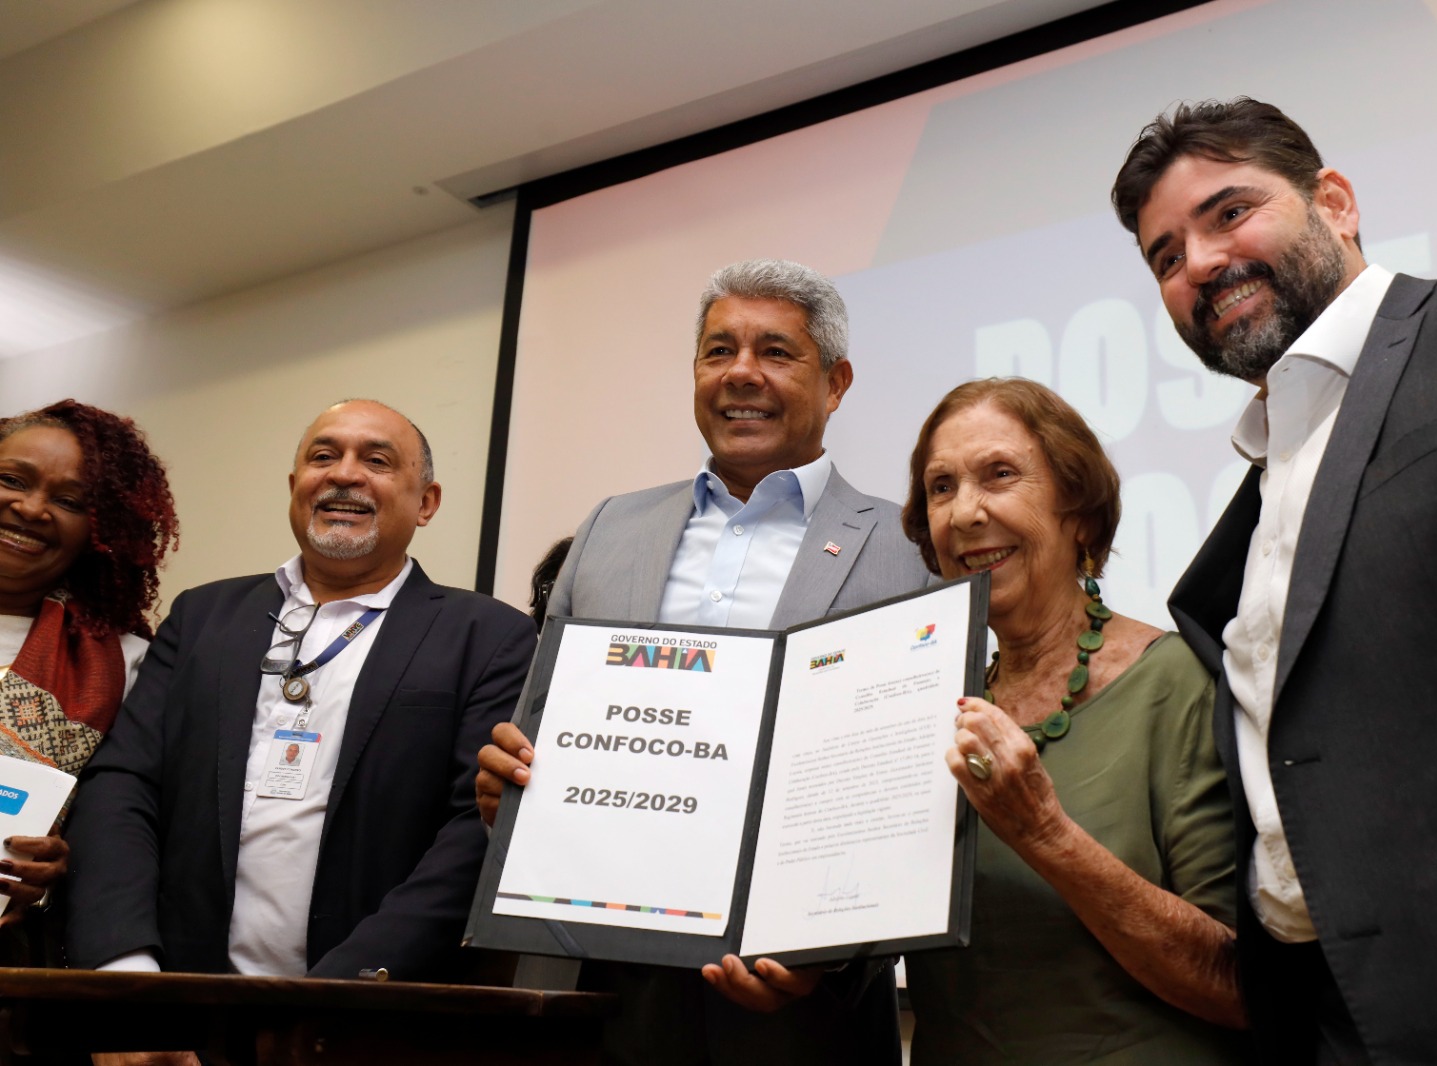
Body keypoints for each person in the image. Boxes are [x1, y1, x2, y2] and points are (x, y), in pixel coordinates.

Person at [1111, 97, 1437, 1063]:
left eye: (1229, 212)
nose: (1199, 263)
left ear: (1333, 202)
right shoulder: (1250, 512)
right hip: (1333, 1020)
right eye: (1165, 257)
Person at [477, 259, 929, 1066]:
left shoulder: (910, 548)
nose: (741, 374)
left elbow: (912, 792)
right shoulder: (609, 528)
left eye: (776, 352)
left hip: (794, 1001)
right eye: (719, 351)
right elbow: (537, 727)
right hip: (595, 983)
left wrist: (828, 959)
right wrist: (512, 787)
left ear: (836, 383)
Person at [65, 400, 537, 998]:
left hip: (373, 1013)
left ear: (426, 503)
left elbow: (477, 824)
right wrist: (127, 970)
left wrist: (338, 992)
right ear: (295, 487)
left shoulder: (488, 636)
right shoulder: (203, 616)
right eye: (323, 456)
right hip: (178, 1001)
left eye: (377, 461)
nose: (344, 473)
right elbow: (123, 783)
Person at [904, 378, 1245, 1064]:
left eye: (1000, 475)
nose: (965, 513)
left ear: (1081, 513)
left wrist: (1045, 833)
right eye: (941, 487)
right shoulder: (930, 706)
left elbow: (1238, 983)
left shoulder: (1178, 681)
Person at [0, 400, 178, 966]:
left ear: (102, 532)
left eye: (70, 501)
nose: (31, 509)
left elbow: (120, 836)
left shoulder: (126, 665)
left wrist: (57, 874)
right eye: (12, 480)